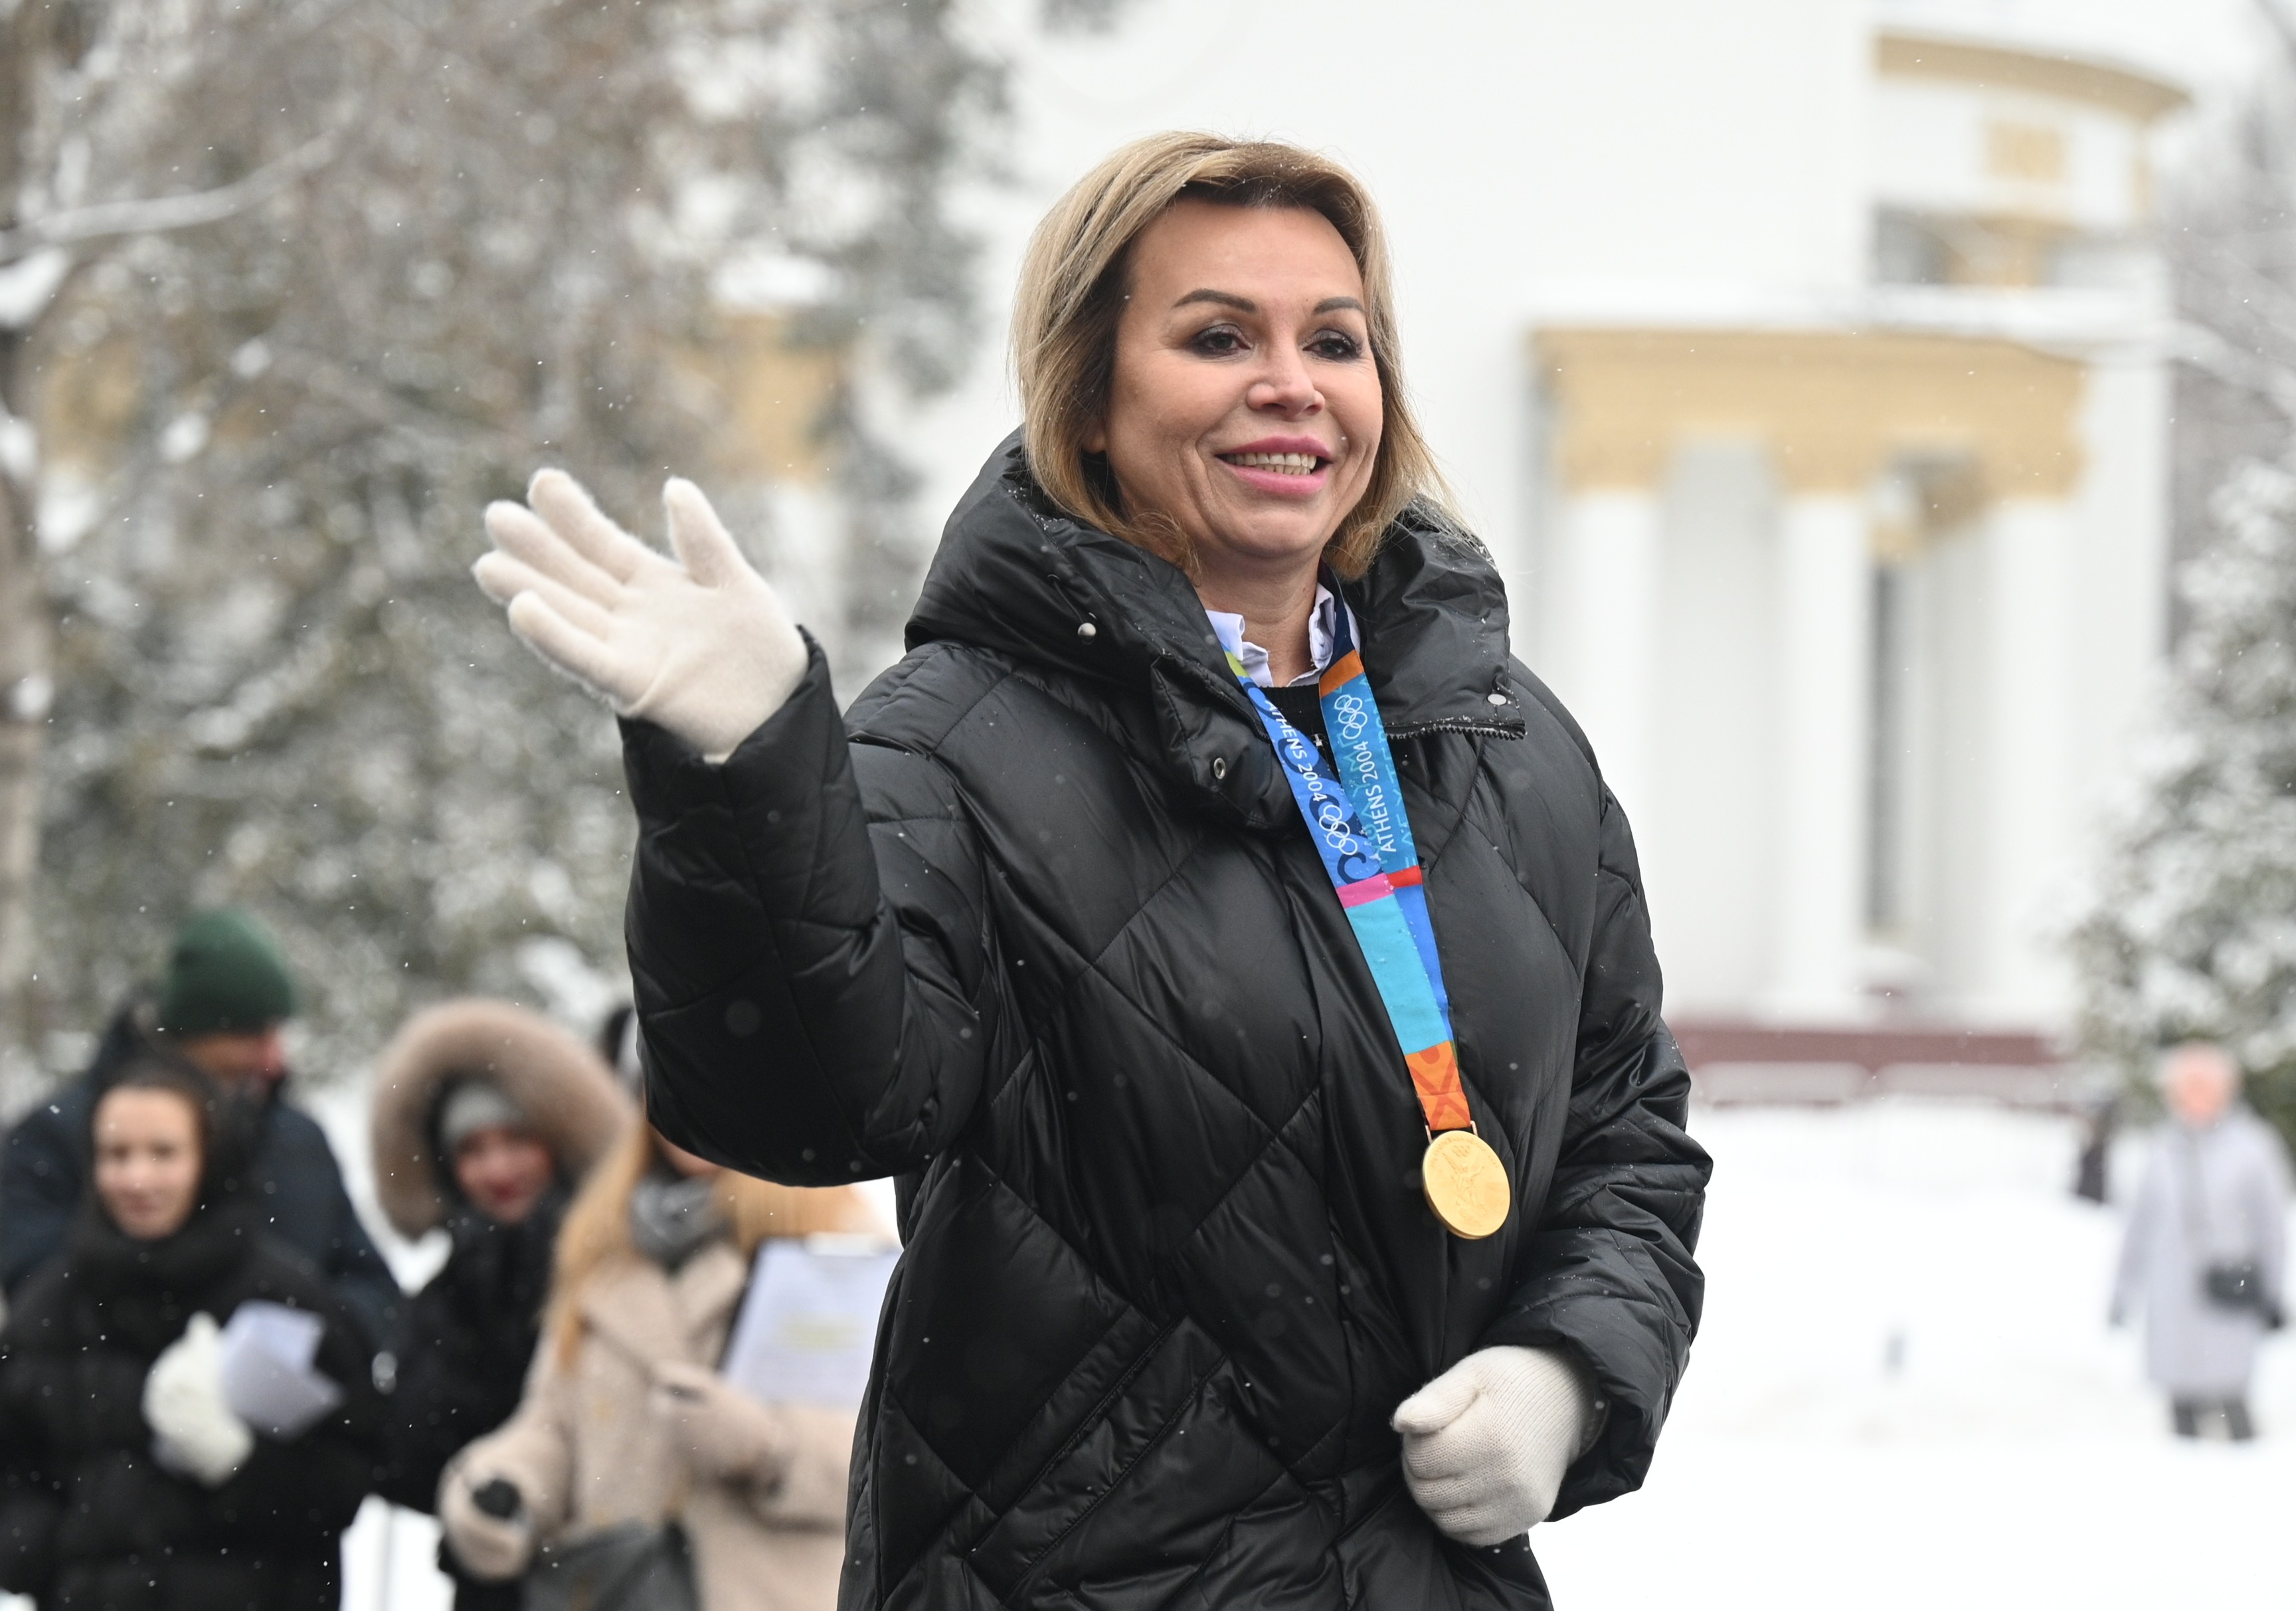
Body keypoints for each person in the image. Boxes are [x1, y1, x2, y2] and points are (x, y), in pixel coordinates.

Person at [473, 132, 1710, 1608]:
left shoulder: (1506, 744)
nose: (1291, 384)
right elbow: (806, 1102)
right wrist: (748, 781)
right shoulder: (959, 739)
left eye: (1335, 340)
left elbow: (1626, 1127)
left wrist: (1569, 1368)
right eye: (1217, 338)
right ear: (1090, 397)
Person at [434, 1112, 877, 1609]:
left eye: (718, 1078)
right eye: (670, 1077)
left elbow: (887, 1454)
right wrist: (506, 1482)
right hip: (623, 1586)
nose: (693, 1099)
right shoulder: (599, 1238)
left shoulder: (840, 1237)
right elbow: (555, 1422)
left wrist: (768, 1446)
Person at [0, 1048, 381, 1608]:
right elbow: (13, 1473)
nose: (137, 1178)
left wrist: (241, 1464)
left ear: (210, 1158)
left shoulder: (285, 1298)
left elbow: (348, 1472)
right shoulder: (49, 1310)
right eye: (117, 1154)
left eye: (164, 1152)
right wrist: (61, 1550)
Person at [0, 909, 402, 1351]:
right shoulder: (53, 1140)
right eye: (252, 1035)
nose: (273, 1058)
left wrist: (311, 1344)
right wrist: (165, 1357)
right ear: (194, 1033)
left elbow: (371, 1289)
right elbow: (40, 1303)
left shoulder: (298, 1141)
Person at [370, 999, 632, 1611]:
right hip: (486, 1583)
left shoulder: (615, 1267)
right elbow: (408, 1459)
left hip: (605, 1577)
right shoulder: (446, 1289)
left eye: (517, 1140)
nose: (497, 1168)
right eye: (472, 1149)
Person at [2112, 1041, 2295, 1440]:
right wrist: (2122, 1290)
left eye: (2206, 1087)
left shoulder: (2253, 1148)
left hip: (2229, 1287)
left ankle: (2248, 1464)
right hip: (2172, 1293)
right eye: (2187, 1087)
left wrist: (2275, 1291)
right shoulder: (2162, 1148)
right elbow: (2139, 1225)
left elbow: (2273, 1227)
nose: (2196, 1097)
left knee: (2231, 1393)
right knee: (2180, 1399)